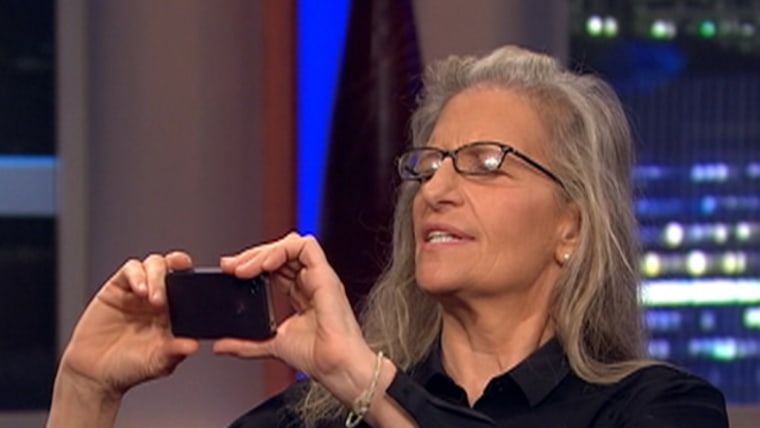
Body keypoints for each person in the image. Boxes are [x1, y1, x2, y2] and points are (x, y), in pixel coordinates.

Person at [46, 45, 728, 428]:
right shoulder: (314, 419)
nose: (436, 190)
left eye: (485, 162)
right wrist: (85, 390)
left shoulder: (658, 410)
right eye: (428, 165)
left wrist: (365, 381)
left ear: (571, 226)